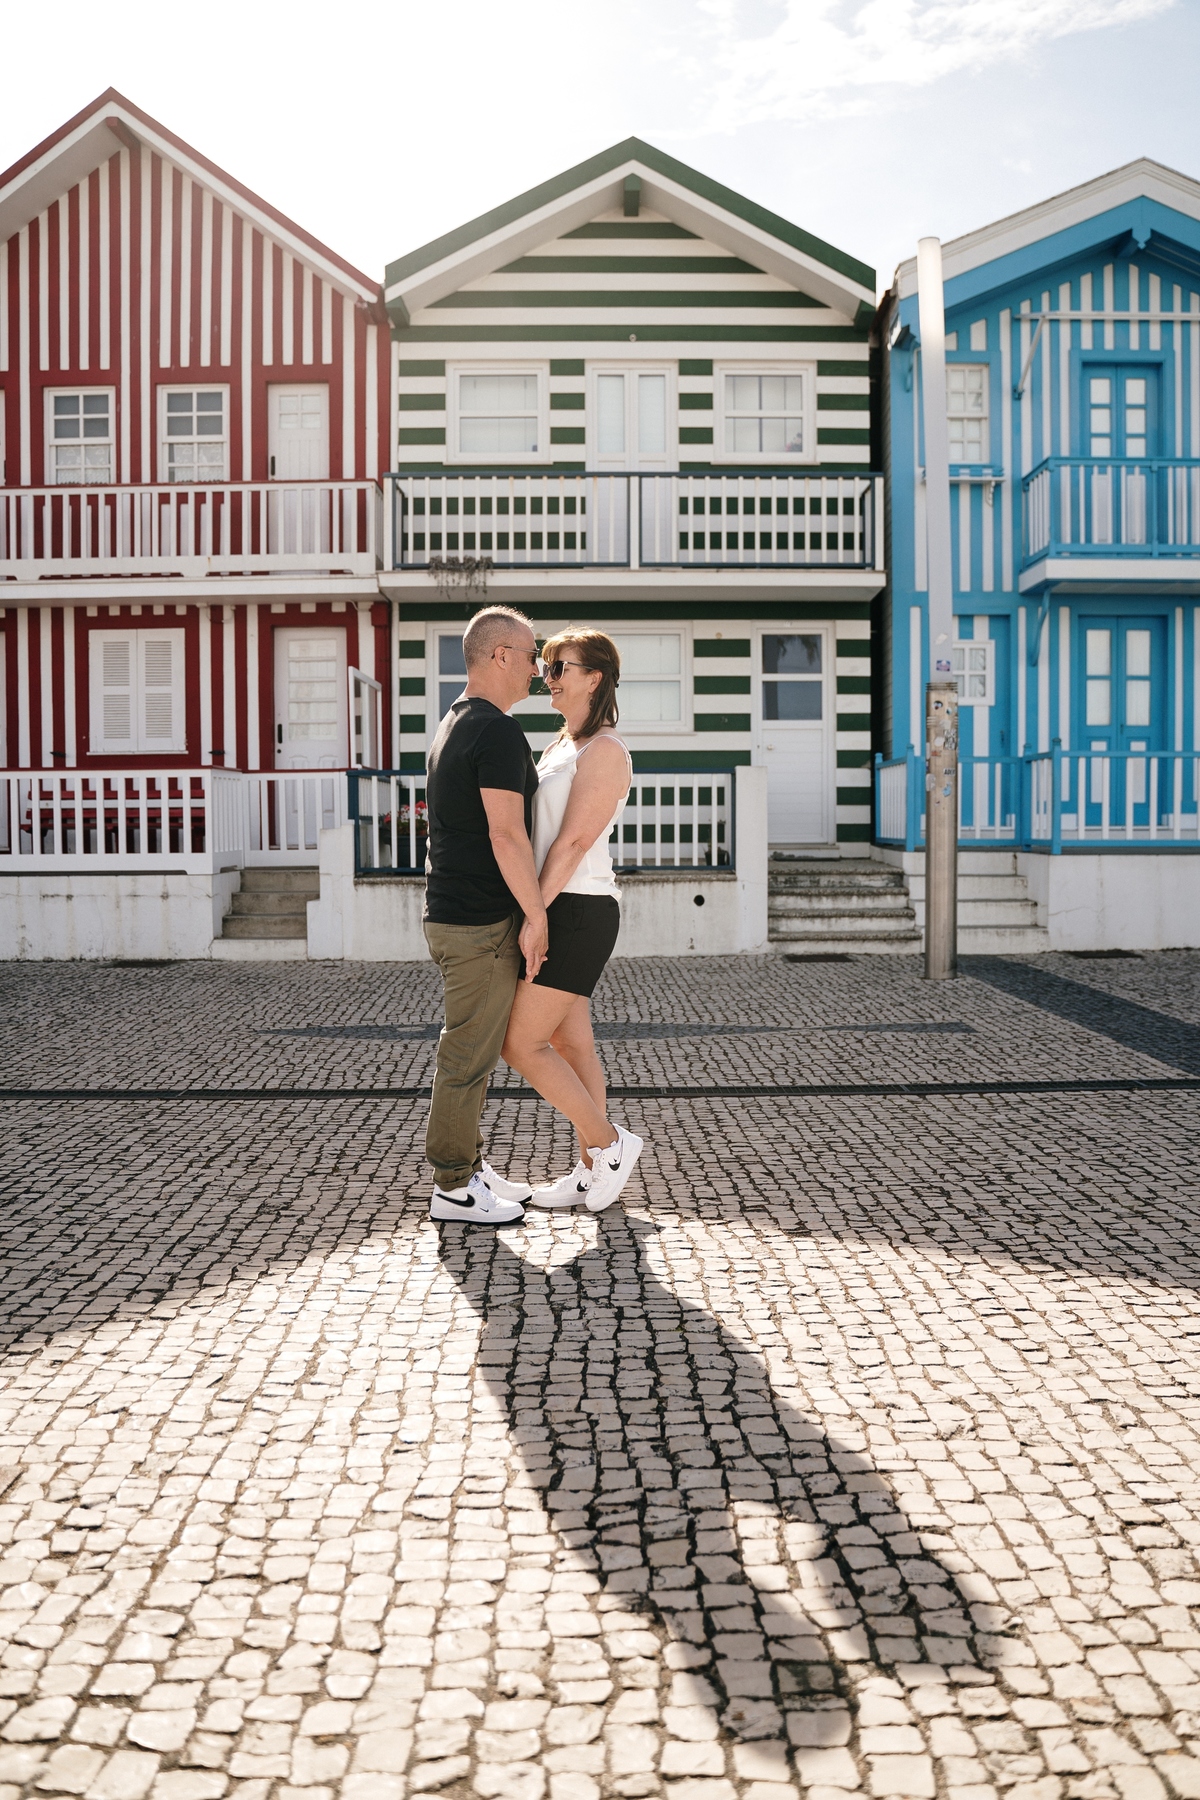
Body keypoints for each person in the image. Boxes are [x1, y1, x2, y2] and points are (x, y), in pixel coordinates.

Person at [501, 628, 643, 1213]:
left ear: (596, 677)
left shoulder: (605, 751)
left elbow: (572, 842)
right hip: (559, 902)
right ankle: (590, 1171)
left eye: (560, 666)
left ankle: (609, 1145)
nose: (547, 676)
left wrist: (534, 913)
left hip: (578, 906)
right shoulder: (562, 746)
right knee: (573, 1042)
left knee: (520, 1041)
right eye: (545, 665)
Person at [423, 605, 548, 1225]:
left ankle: (470, 1166)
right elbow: (507, 835)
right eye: (531, 655)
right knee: (467, 1055)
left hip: (452, 913)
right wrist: (537, 914)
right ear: (500, 655)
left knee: (471, 1048)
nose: (538, 667)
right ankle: (452, 1186)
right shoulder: (496, 731)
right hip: (477, 922)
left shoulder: (453, 723)